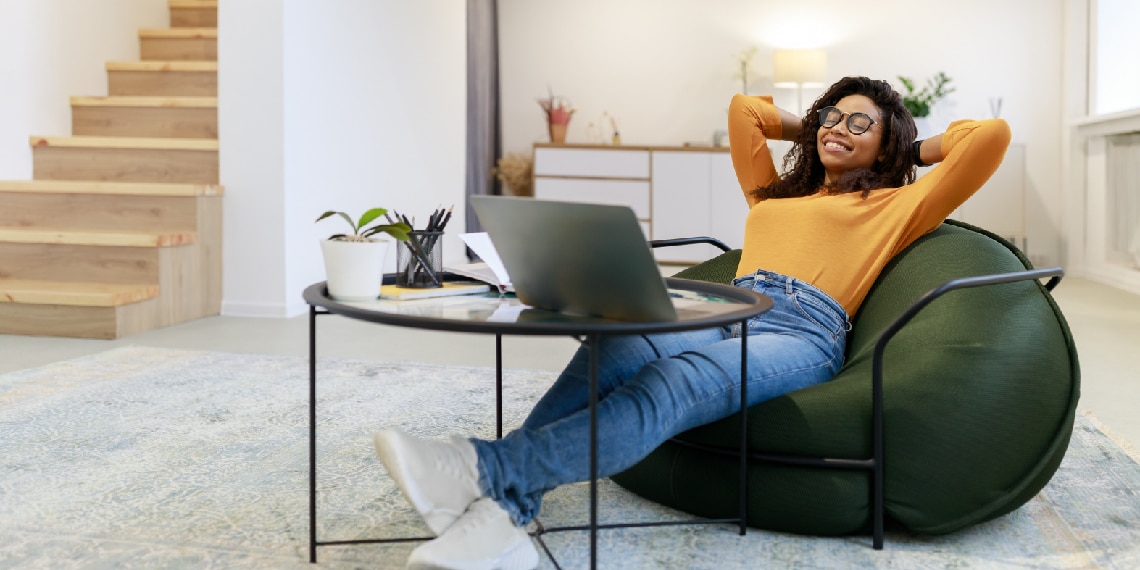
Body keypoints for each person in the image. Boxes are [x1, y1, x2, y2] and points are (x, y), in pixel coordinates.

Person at [373, 76, 1011, 570]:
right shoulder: (774, 194)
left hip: (803, 330)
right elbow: (744, 110)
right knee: (614, 351)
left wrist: (906, 144)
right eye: (828, 115)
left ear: (887, 141)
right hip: (735, 302)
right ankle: (506, 515)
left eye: (857, 122)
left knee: (672, 382)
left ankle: (484, 470)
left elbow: (990, 137)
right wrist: (829, 123)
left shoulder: (899, 203)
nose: (835, 127)